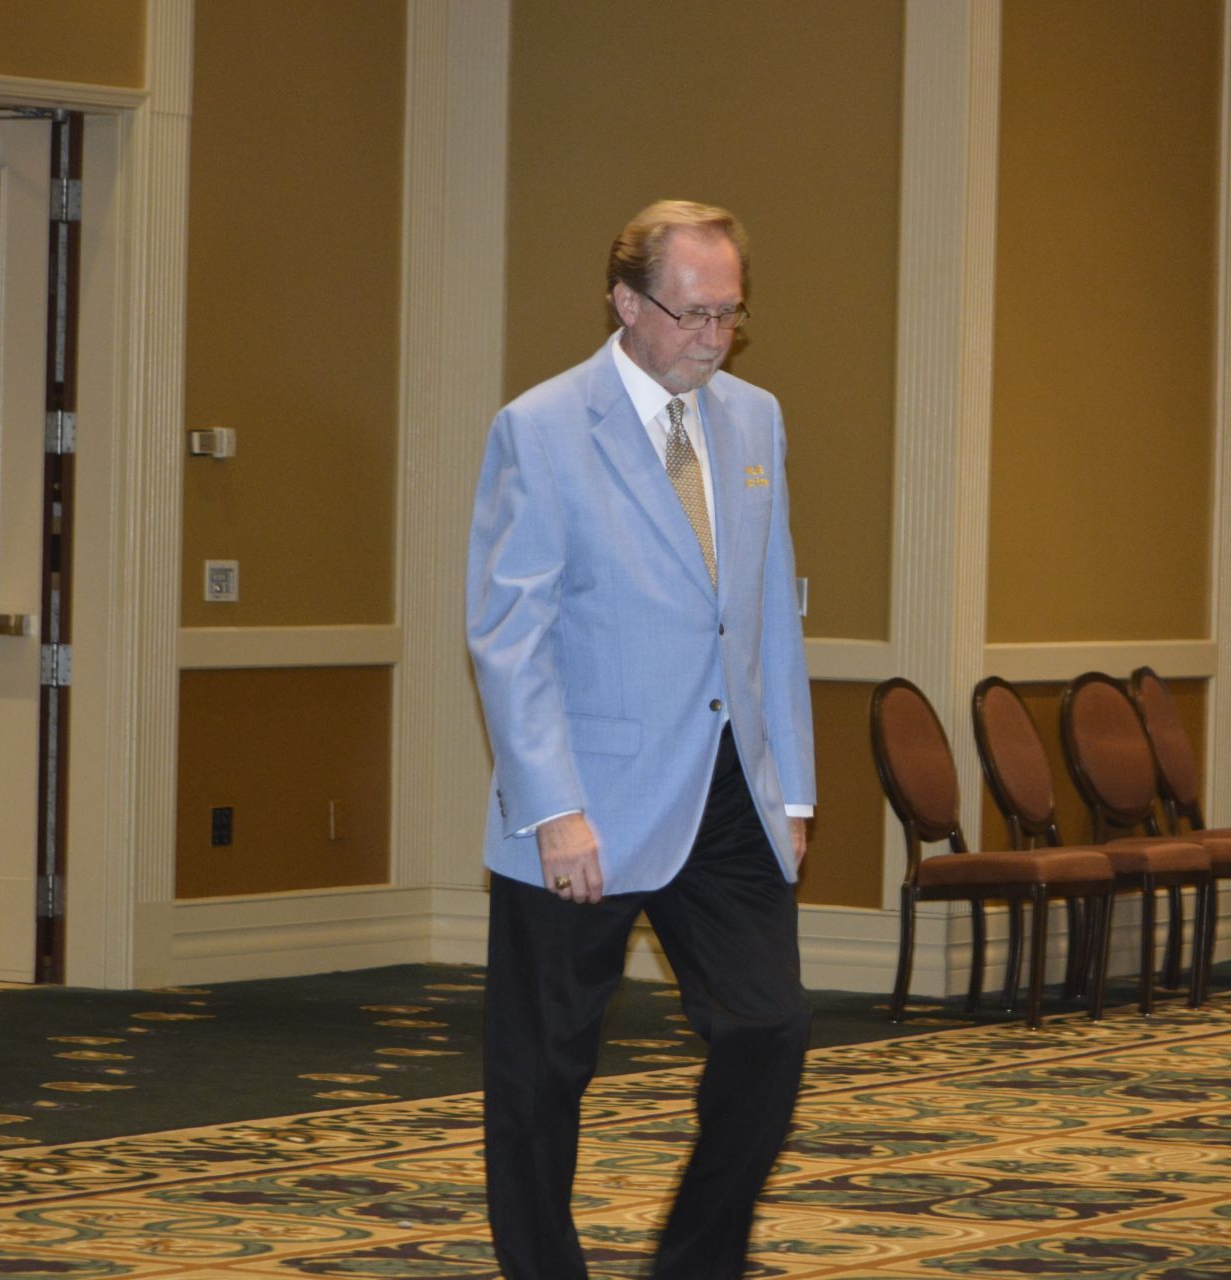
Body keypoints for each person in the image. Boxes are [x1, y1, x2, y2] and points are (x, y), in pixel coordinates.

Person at [466, 199, 816, 1280]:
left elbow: (768, 611)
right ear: (626, 301)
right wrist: (552, 808)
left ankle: (694, 1266)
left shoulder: (754, 418)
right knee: (543, 1071)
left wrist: (793, 792)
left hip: (729, 791)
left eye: (731, 314)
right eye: (692, 313)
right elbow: (510, 634)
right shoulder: (541, 427)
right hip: (587, 800)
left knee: (768, 1032)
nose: (714, 337)